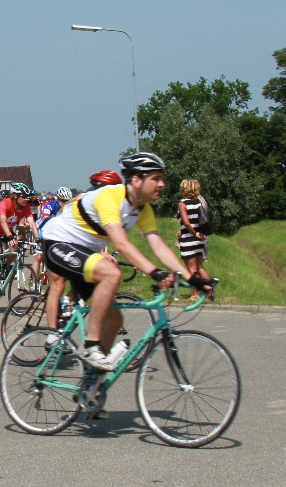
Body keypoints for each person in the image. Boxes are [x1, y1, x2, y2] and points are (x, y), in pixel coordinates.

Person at [38, 153, 207, 372]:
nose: (162, 184)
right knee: (111, 273)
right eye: (155, 178)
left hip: (84, 250)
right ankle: (90, 347)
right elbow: (121, 244)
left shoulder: (143, 209)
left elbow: (158, 245)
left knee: (114, 320)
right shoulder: (110, 197)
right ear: (136, 180)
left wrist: (192, 278)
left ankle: (92, 382)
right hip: (58, 243)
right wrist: (155, 273)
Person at [0, 183, 38, 304]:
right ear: (15, 195)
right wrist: (10, 236)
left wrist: (38, 239)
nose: (26, 199)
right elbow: (2, 221)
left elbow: (32, 224)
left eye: (27, 197)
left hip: (6, 230)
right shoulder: (5, 203)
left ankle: (5, 266)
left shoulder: (25, 207)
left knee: (15, 249)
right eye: (24, 196)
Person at [177, 179, 212, 292]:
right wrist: (197, 232)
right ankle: (209, 291)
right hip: (199, 240)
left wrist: (193, 233)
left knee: (192, 270)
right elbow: (200, 220)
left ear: (184, 189)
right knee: (199, 267)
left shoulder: (182, 203)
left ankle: (195, 294)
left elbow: (186, 222)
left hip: (189, 239)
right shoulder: (198, 202)